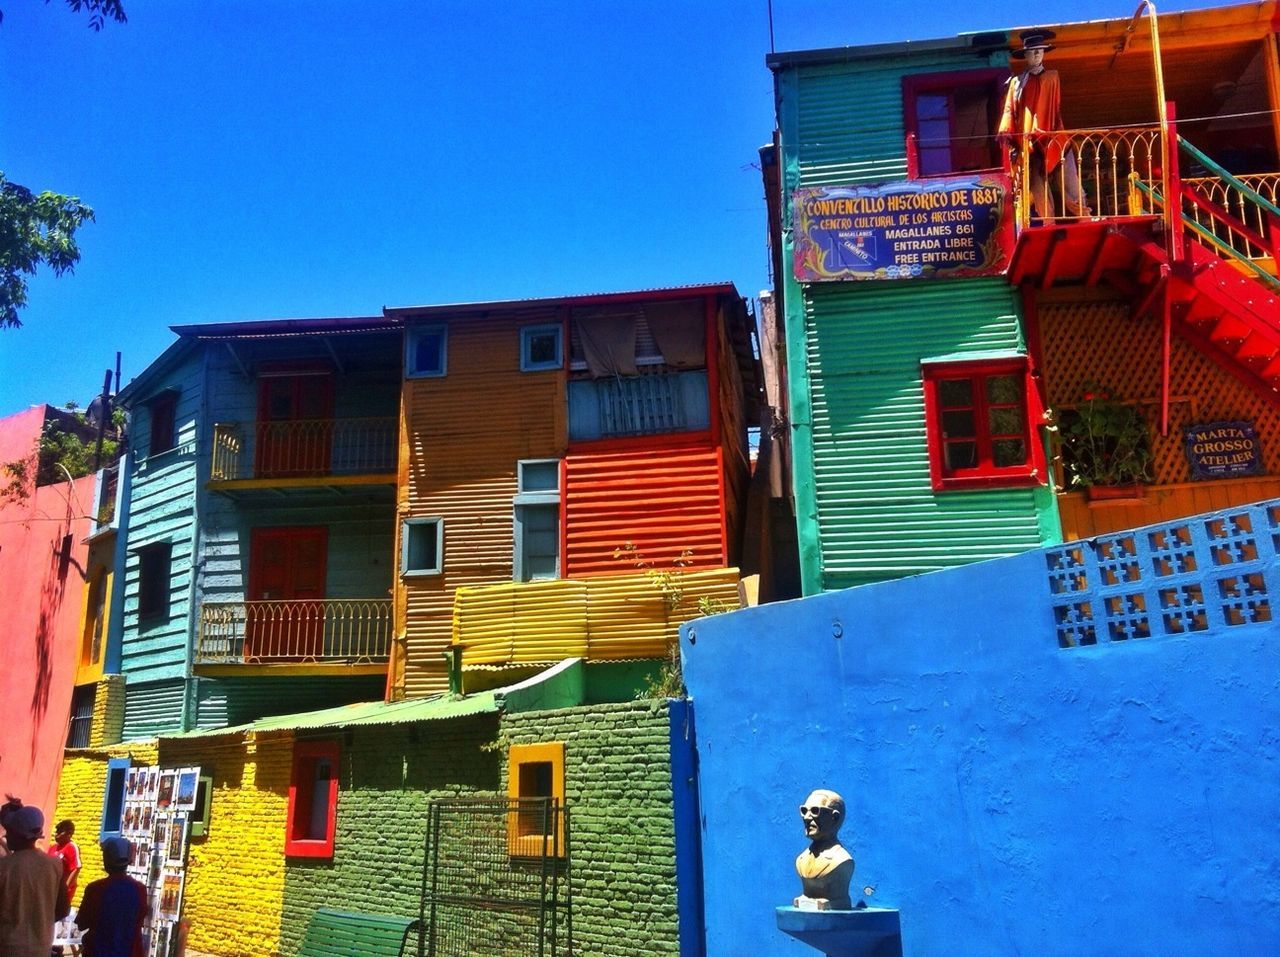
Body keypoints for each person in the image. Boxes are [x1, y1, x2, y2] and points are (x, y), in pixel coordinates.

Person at [998, 29, 1090, 223]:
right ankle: (1048, 224)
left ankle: (1085, 217)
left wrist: (1051, 131)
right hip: (1030, 145)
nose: (1037, 54)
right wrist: (1009, 135)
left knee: (1071, 184)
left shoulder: (1052, 77)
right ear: (1026, 55)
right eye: (1032, 51)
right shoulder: (1017, 83)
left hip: (1055, 139)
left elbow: (1054, 108)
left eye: (1040, 50)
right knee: (1039, 191)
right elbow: (1010, 109)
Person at [0, 805, 70, 957]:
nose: (7, 835)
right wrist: (40, 923)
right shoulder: (54, 865)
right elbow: (63, 908)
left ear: (17, 834)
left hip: (8, 948)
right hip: (41, 949)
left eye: (10, 831)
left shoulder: (4, 867)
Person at [75, 838, 149, 957]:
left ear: (107, 859)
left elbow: (82, 923)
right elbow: (139, 918)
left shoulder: (95, 889)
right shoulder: (140, 889)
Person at [794, 788, 855, 910]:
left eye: (815, 811)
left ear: (835, 818)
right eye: (804, 811)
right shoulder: (801, 860)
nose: (807, 817)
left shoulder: (842, 860)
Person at [47, 820, 82, 904]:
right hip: (51, 890)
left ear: (69, 834)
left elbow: (77, 867)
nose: (56, 835)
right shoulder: (53, 848)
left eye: (60, 832)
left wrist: (65, 888)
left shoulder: (71, 847)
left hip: (62, 892)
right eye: (56, 832)